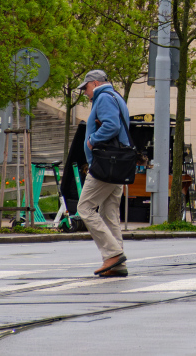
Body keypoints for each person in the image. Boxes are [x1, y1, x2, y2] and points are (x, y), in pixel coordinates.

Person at [78, 69, 131, 278]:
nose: (84, 92)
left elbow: (111, 125)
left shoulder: (103, 99)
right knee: (109, 214)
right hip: (117, 165)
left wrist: (92, 141)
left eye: (85, 87)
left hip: (105, 167)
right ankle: (117, 265)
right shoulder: (116, 97)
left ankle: (113, 254)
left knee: (85, 208)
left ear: (95, 83)